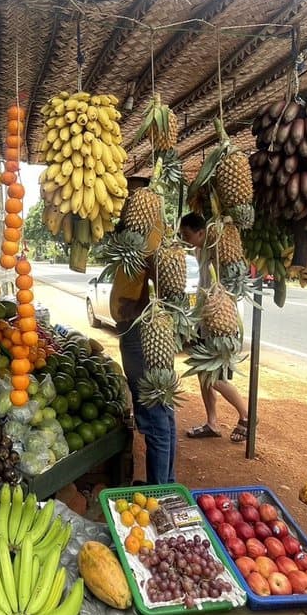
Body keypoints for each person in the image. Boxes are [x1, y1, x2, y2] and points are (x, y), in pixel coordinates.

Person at [109, 204, 177, 484]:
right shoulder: (139, 235)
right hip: (136, 329)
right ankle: (165, 481)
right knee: (162, 410)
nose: (127, 207)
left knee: (154, 414)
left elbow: (165, 283)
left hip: (141, 333)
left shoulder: (152, 235)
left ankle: (159, 487)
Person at [179, 212, 249, 443]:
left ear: (201, 232)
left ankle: (247, 416)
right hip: (204, 320)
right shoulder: (199, 250)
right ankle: (212, 422)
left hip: (219, 321)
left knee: (214, 377)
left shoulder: (218, 248)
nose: (185, 239)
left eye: (187, 235)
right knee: (203, 374)